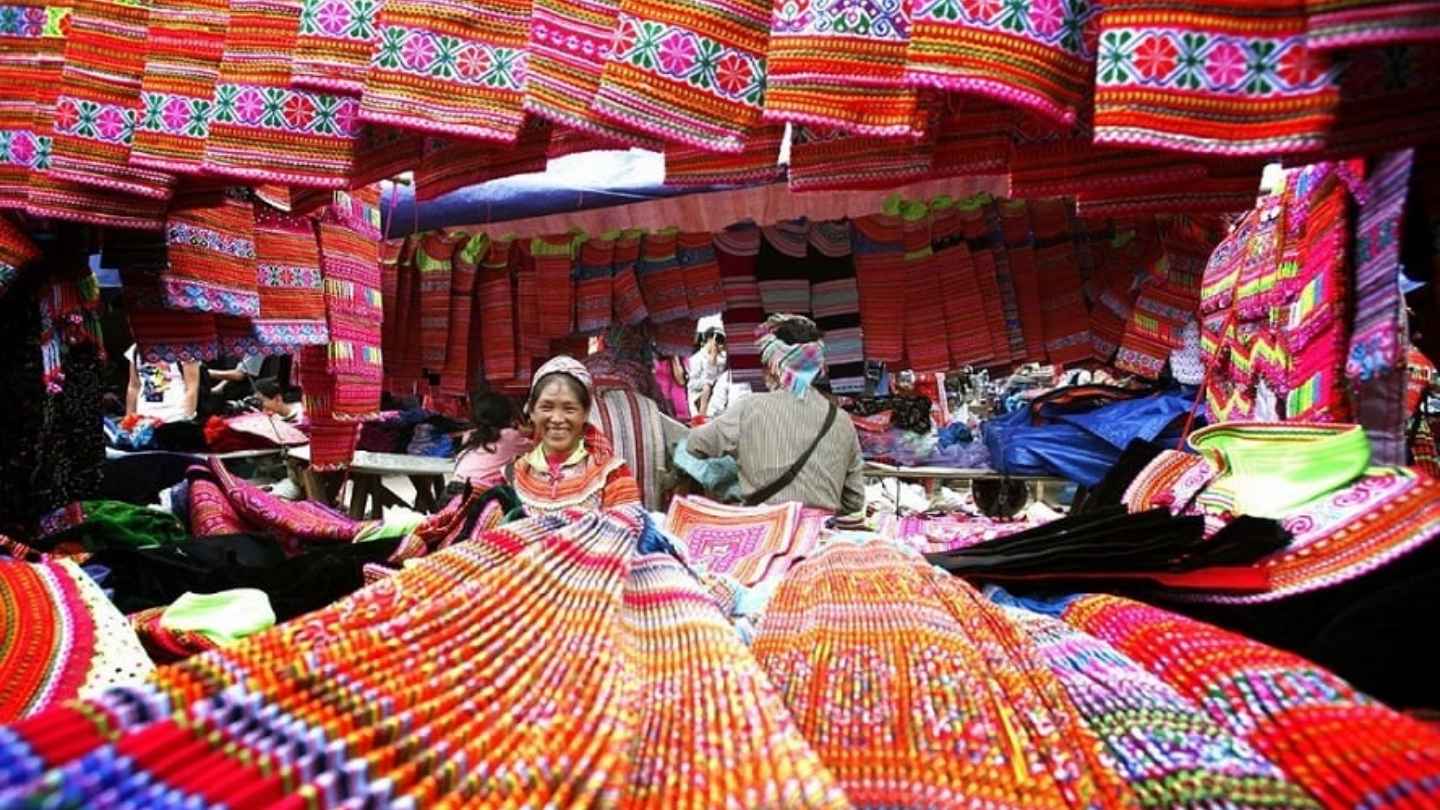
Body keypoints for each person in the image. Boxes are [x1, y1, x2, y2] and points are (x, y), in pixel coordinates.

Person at [688, 314, 865, 514]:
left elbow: (694, 446)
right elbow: (854, 501)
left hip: (764, 532)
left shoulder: (749, 408)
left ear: (773, 366)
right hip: (820, 534)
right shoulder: (842, 420)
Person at [507, 355, 641, 514]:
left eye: (569, 409)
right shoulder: (514, 475)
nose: (557, 419)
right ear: (532, 412)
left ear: (585, 414)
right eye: (546, 407)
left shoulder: (612, 475)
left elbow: (629, 530)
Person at [453, 390, 532, 490]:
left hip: (452, 491)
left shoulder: (469, 435)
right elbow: (538, 449)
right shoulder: (510, 436)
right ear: (507, 415)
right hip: (477, 495)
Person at [125, 344, 200, 423]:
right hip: (144, 420)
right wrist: (129, 420)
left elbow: (192, 388)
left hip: (176, 417)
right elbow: (134, 386)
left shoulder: (185, 348)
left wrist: (187, 418)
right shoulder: (136, 349)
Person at [687, 328, 730, 421]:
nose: (719, 343)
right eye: (717, 339)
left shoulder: (723, 358)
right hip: (700, 398)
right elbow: (691, 384)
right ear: (710, 339)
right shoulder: (697, 358)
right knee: (707, 387)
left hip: (719, 397)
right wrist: (708, 382)